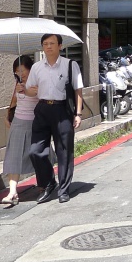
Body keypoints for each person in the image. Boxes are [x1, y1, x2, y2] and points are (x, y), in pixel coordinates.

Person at [21, 33, 84, 204]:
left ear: (60, 46)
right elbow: (30, 90)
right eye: (45, 44)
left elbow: (78, 90)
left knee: (64, 151)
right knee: (35, 151)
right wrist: (25, 89)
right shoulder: (36, 67)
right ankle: (48, 182)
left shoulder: (70, 65)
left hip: (62, 110)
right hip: (42, 109)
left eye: (52, 43)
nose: (48, 46)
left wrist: (78, 114)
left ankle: (64, 190)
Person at [2, 55, 37, 206]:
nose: (20, 74)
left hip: (34, 123)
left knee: (38, 155)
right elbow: (14, 100)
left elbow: (37, 95)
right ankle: (12, 192)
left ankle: (46, 182)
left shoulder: (36, 81)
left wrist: (25, 90)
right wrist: (7, 115)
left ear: (30, 68)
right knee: (13, 156)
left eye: (23, 70)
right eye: (17, 71)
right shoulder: (18, 83)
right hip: (18, 122)